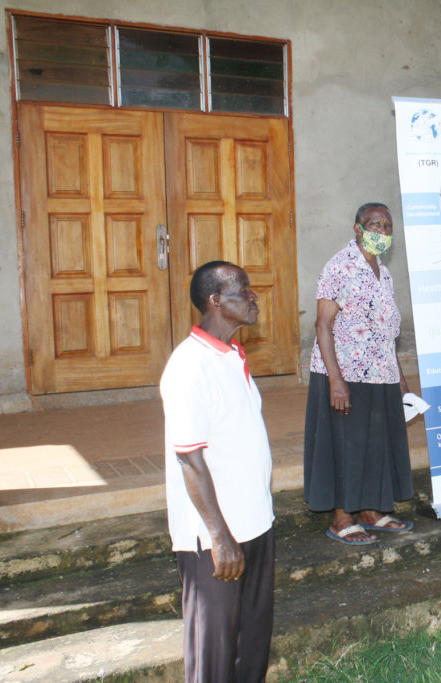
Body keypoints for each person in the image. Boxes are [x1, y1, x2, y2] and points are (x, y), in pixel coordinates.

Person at [160, 261, 275, 682]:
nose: (253, 297)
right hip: (217, 538)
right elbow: (190, 458)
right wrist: (219, 536)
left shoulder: (232, 357)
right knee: (215, 653)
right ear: (214, 302)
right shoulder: (189, 366)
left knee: (251, 646)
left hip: (255, 523)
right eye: (243, 290)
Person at [304, 203, 414, 546]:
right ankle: (341, 518)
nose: (381, 231)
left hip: (379, 373)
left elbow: (386, 328)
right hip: (345, 374)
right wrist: (336, 380)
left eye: (386, 225)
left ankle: (370, 510)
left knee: (375, 444)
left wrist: (398, 374)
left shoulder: (383, 270)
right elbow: (323, 325)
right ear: (358, 228)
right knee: (346, 446)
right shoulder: (341, 266)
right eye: (374, 225)